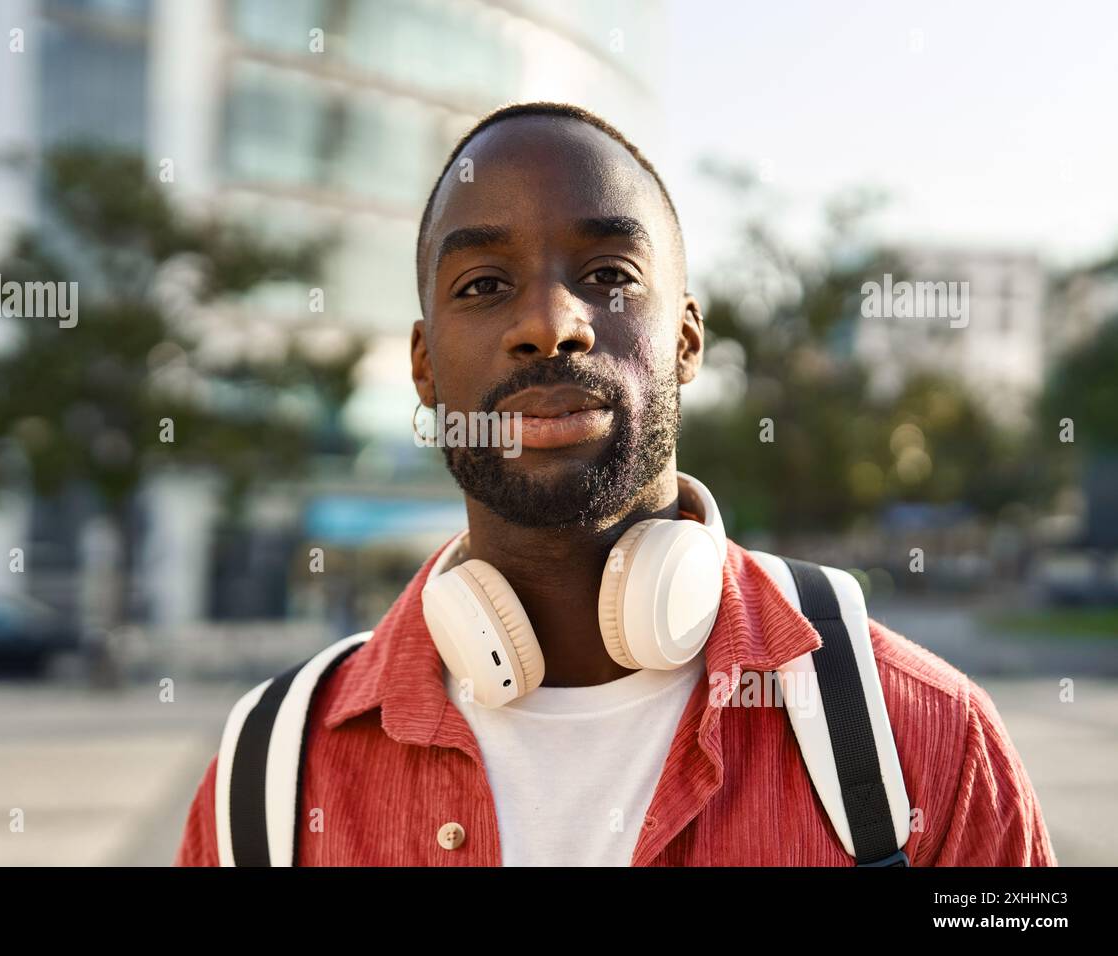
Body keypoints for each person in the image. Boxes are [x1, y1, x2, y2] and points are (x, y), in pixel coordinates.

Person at [174, 102, 1056, 867]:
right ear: (423, 367)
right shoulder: (268, 784)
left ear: (685, 339)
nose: (550, 325)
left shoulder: (928, 743)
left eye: (609, 277)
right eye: (483, 284)